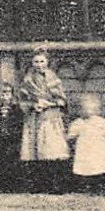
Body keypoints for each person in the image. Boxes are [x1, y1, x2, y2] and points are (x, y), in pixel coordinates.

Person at [18, 50, 70, 192]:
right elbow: (22, 100)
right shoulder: (28, 80)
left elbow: (62, 100)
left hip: (51, 117)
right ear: (32, 63)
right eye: (36, 61)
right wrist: (33, 105)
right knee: (35, 150)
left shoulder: (54, 79)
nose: (39, 65)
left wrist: (50, 103)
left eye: (42, 61)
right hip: (34, 118)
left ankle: (56, 184)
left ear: (47, 62)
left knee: (52, 149)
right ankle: (38, 184)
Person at [67, 94, 105, 190]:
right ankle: (87, 183)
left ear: (97, 111)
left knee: (101, 164)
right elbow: (71, 134)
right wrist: (72, 137)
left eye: (92, 110)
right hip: (85, 149)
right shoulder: (79, 122)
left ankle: (101, 183)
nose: (88, 113)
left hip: (99, 149)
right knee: (86, 166)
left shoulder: (101, 122)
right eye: (85, 110)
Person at [0, 83, 25, 191]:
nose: (5, 96)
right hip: (0, 140)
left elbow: (19, 125)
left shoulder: (17, 110)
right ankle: (2, 185)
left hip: (12, 140)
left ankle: (14, 185)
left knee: (12, 160)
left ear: (12, 95)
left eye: (7, 93)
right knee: (1, 160)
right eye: (2, 93)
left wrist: (13, 135)